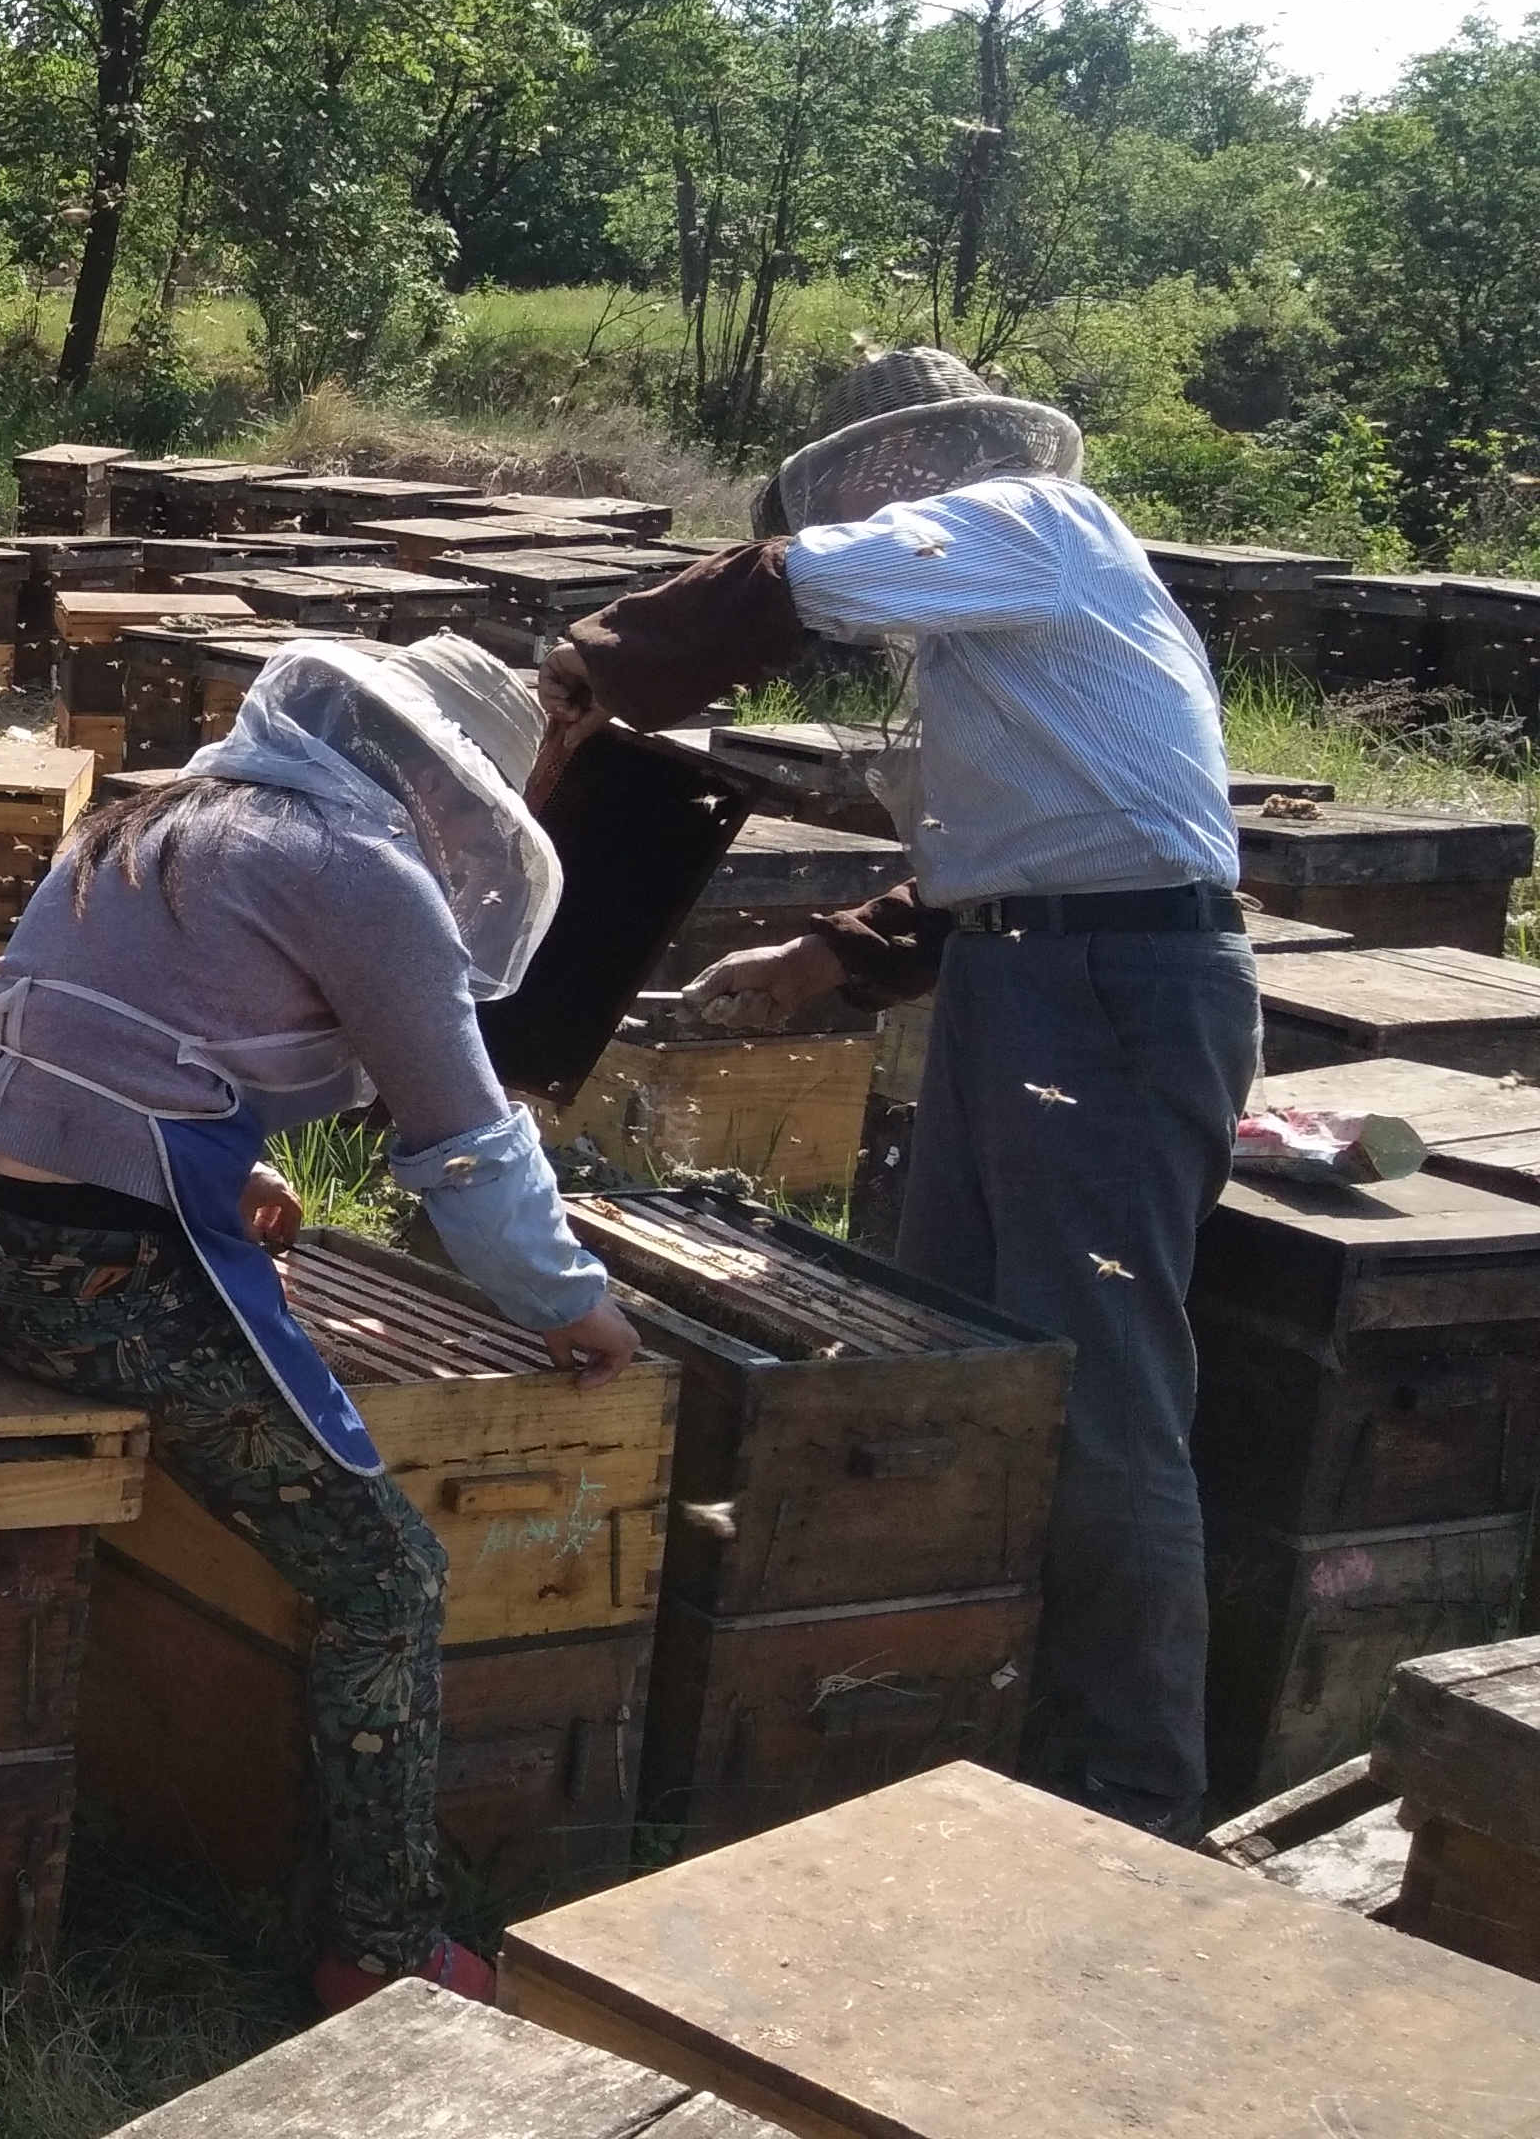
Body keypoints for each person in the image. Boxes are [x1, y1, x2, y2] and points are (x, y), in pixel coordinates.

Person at [535, 347, 1256, 1836]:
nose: (851, 499)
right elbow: (1034, 844)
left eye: (860, 476)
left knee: (1099, 1387)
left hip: (1118, 998)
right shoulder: (993, 600)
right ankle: (965, 1708)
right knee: (958, 1365)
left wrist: (588, 663)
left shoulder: (1037, 525)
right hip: (1033, 982)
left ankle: (1135, 1792)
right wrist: (831, 958)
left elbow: (795, 580)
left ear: (919, 459)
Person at [0, 631, 637, 2010]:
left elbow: (78, 1035)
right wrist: (573, 1306)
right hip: (91, 1277)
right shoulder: (364, 875)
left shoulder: (154, 816)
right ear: (437, 777)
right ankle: (384, 1946)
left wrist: (224, 1163)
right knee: (388, 1578)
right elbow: (466, 1144)